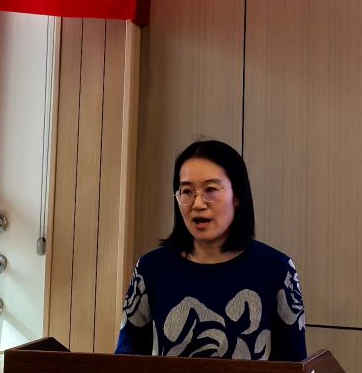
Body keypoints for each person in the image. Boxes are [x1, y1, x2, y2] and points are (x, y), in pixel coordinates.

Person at [116, 138, 307, 360]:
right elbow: (126, 363)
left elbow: (296, 370)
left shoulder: (277, 270)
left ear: (238, 196)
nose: (197, 204)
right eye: (187, 191)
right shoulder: (151, 268)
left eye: (210, 189)